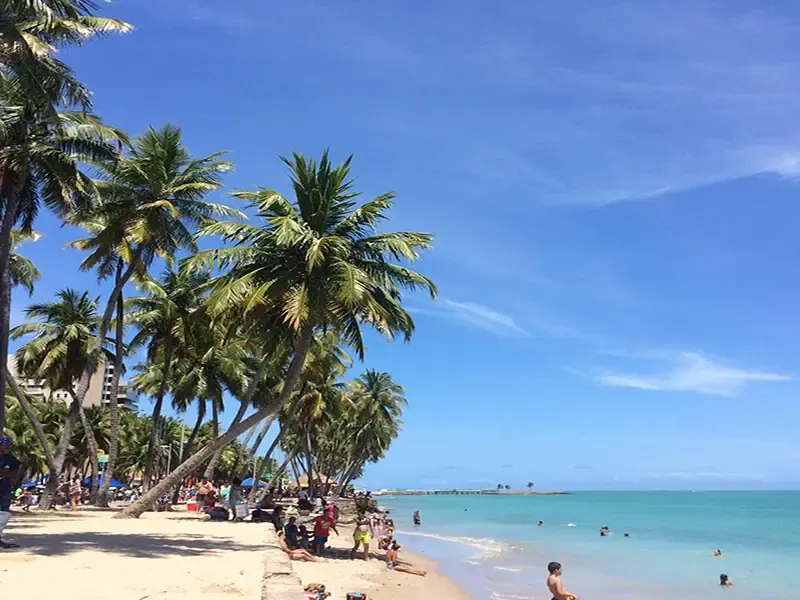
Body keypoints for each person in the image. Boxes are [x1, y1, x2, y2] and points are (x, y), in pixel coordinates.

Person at [0, 437, 21, 549]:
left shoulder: (10, 459)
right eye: (4, 444)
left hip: (4, 488)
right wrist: (4, 472)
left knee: (3, 513)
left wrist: (4, 474)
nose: (6, 446)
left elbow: (14, 474)